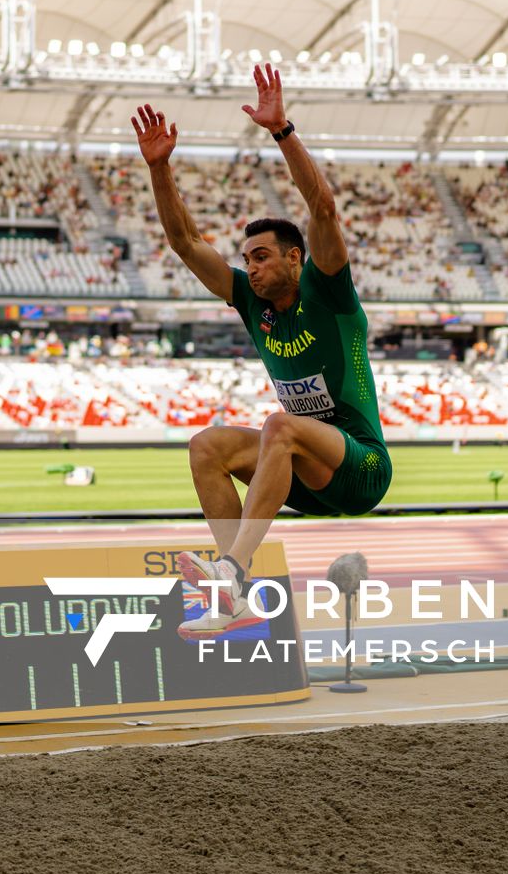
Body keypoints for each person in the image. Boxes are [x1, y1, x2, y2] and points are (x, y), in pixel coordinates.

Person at [130, 64, 392, 638]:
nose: (249, 266)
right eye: (246, 258)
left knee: (281, 424)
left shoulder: (328, 290)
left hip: (361, 466)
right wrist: (159, 168)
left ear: (295, 258)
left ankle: (231, 567)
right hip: (302, 471)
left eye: (262, 256)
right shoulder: (251, 300)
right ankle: (233, 593)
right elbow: (184, 241)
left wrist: (282, 132)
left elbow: (321, 207)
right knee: (207, 447)